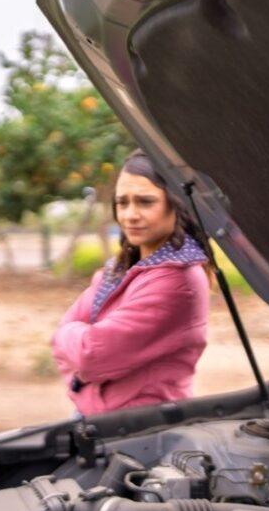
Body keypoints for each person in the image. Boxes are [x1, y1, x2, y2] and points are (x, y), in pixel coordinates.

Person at [52, 149, 211, 415]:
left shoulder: (177, 280)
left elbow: (90, 355)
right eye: (122, 203)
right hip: (100, 413)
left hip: (141, 424)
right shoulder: (123, 266)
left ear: (176, 204)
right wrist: (73, 339)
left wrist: (72, 338)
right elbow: (63, 335)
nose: (130, 215)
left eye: (145, 202)